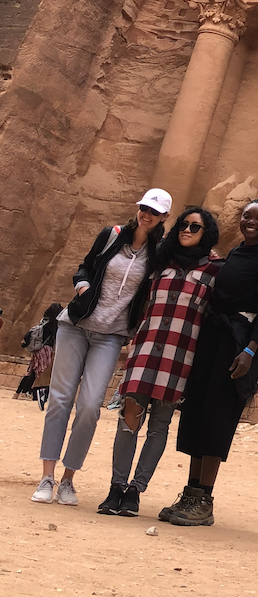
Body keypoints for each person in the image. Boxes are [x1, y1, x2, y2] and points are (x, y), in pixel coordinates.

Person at [31, 188, 172, 506]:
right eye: (144, 208)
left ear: (163, 217)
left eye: (154, 211)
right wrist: (83, 287)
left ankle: (68, 479)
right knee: (60, 400)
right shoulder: (113, 235)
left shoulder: (158, 254)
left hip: (111, 335)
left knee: (91, 405)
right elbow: (84, 267)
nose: (147, 214)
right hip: (76, 326)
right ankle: (47, 477)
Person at [163, 196, 258, 526]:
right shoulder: (235, 253)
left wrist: (250, 351)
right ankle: (190, 494)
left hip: (238, 343)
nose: (251, 222)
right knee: (197, 413)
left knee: (218, 417)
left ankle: (204, 499)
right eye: (247, 216)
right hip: (212, 338)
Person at [98, 207, 221, 518]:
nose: (187, 230)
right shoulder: (160, 262)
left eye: (196, 227)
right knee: (129, 419)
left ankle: (135, 490)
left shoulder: (214, 270)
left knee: (159, 426)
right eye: (184, 225)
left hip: (181, 356)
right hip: (146, 350)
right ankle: (116, 487)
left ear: (206, 233)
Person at [17, 303, 63, 407]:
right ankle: (35, 394)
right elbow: (56, 337)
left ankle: (19, 392)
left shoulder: (43, 321)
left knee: (32, 371)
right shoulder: (53, 324)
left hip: (37, 349)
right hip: (46, 349)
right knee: (41, 372)